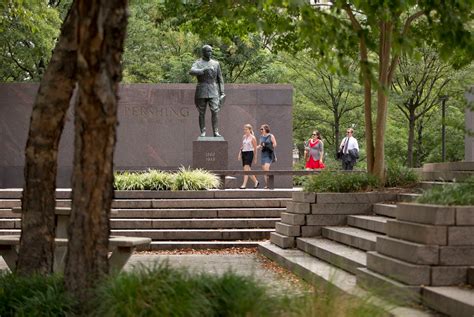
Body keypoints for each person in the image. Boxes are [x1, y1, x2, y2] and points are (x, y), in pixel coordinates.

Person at [189, 45, 225, 137]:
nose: (210, 53)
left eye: (211, 51)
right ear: (203, 52)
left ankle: (216, 131)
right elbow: (191, 71)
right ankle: (203, 131)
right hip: (201, 88)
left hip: (213, 90)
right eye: (208, 51)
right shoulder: (198, 62)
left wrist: (222, 92)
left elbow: (220, 79)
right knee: (201, 112)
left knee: (215, 111)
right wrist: (203, 69)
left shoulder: (216, 63)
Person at [237, 124, 259, 189]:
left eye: (246, 129)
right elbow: (242, 146)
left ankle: (244, 184)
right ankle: (256, 181)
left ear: (250, 130)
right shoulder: (244, 137)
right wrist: (239, 154)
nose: (245, 130)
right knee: (247, 169)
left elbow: (255, 149)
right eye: (244, 129)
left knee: (246, 168)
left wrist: (255, 158)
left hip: (250, 153)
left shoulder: (253, 138)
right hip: (244, 153)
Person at [257, 124, 277, 189]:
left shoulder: (271, 136)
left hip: (269, 154)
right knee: (265, 171)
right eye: (260, 129)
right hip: (263, 154)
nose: (261, 130)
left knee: (266, 168)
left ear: (266, 129)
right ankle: (267, 185)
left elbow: (275, 144)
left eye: (262, 129)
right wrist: (255, 147)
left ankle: (269, 184)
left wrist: (268, 145)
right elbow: (260, 145)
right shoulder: (261, 137)